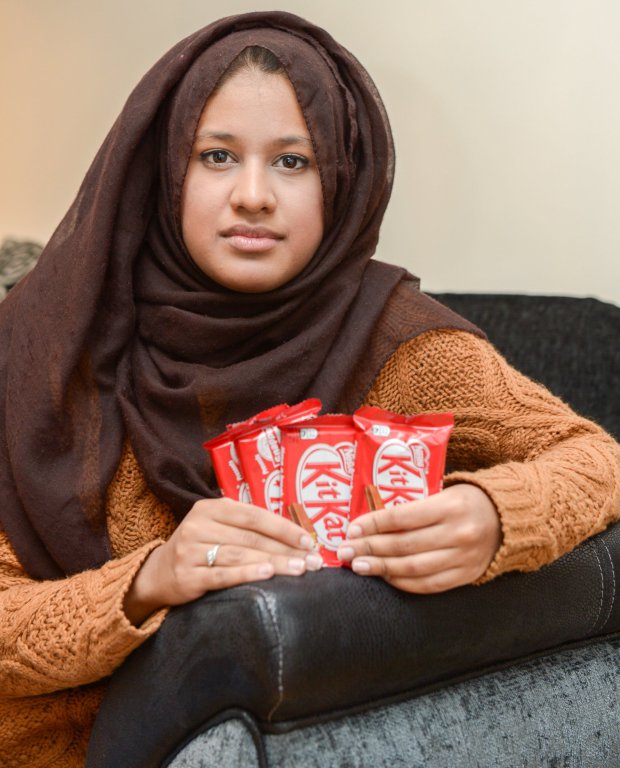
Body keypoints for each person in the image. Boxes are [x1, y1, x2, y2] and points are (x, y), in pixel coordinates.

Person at [0, 10, 618, 766]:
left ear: (340, 178)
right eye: (216, 156)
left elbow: (592, 460)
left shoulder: (395, 340)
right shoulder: (47, 341)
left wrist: (496, 517)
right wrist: (150, 580)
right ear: (163, 170)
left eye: (292, 162)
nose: (254, 195)